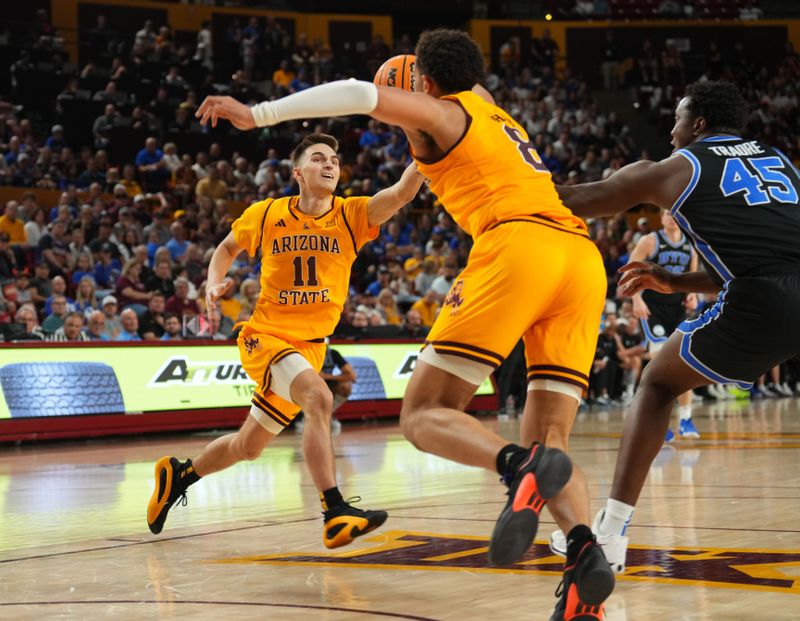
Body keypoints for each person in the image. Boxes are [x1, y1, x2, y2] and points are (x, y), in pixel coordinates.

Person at [196, 29, 614, 619]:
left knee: (423, 414)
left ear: (427, 83)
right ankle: (582, 556)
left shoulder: (442, 110)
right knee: (556, 442)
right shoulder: (491, 108)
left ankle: (514, 468)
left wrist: (256, 113)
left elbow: (354, 93)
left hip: (519, 245)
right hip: (580, 257)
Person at [546, 80, 800, 575]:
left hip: (764, 300)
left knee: (658, 382)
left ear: (698, 124)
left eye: (678, 118)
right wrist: (674, 279)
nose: (671, 128)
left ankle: (611, 536)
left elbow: (580, 200)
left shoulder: (682, 167)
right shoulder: (779, 162)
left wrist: (499, 173)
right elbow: (767, 254)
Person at [147, 133, 423, 550]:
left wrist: (428, 146)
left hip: (311, 345)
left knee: (248, 446)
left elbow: (402, 191)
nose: (330, 164)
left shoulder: (352, 215)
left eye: (334, 159)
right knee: (320, 398)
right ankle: (335, 510)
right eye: (318, 159)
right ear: (298, 173)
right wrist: (213, 281)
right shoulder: (268, 213)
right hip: (267, 337)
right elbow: (226, 247)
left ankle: (179, 475)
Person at [627, 209, 700, 440]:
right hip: (652, 309)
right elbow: (630, 270)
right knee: (661, 363)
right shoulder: (650, 241)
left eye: (676, 213)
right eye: (668, 214)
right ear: (661, 218)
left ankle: (686, 419)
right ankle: (657, 422)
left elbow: (693, 275)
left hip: (677, 308)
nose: (673, 217)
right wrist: (636, 299)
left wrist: (692, 294)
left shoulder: (690, 243)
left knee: (684, 363)